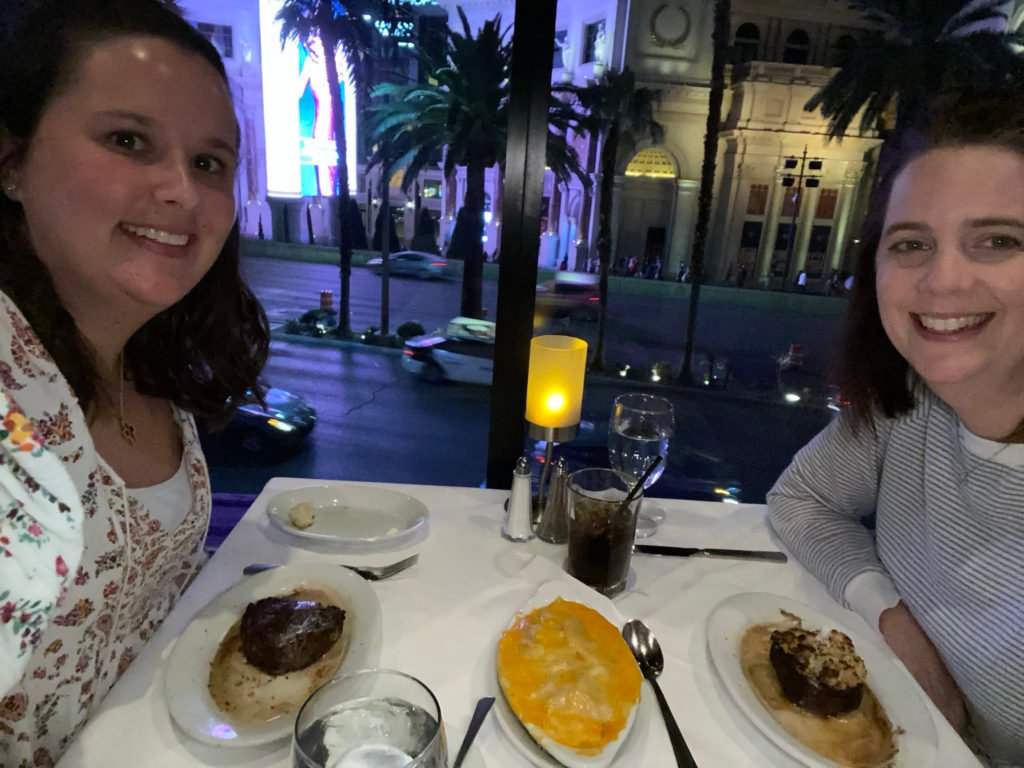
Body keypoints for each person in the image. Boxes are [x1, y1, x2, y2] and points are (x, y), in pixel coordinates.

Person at [0, 1, 270, 762]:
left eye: (209, 163)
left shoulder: (153, 363)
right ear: (12, 161)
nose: (183, 191)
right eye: (128, 139)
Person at [768, 93, 1024, 765]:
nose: (942, 280)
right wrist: (898, 626)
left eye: (998, 240)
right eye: (911, 243)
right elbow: (801, 501)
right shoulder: (909, 404)